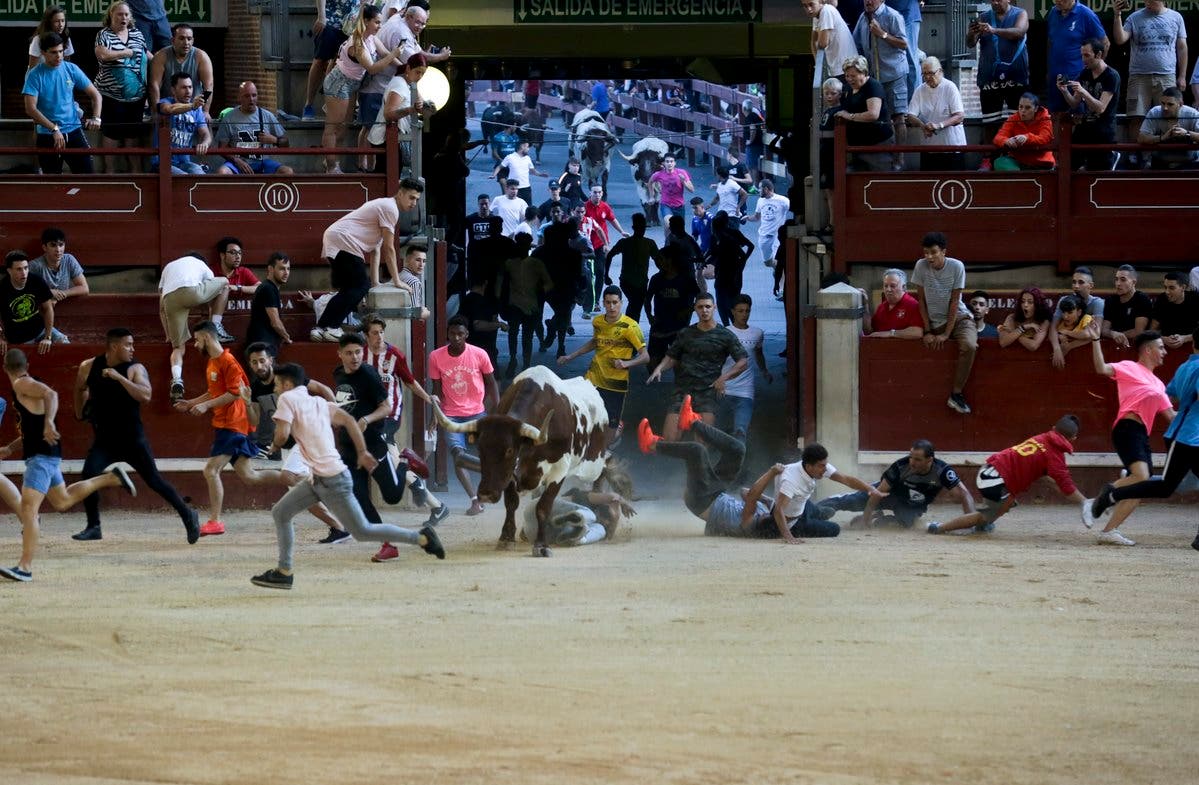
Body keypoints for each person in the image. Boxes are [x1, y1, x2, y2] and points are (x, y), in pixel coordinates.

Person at [249, 362, 444, 590]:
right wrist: (361, 452)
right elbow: (350, 421)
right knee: (281, 512)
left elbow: (282, 436)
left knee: (363, 531)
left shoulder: (287, 399)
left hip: (331, 480)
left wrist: (273, 445)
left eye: (277, 384)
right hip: (321, 478)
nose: (275, 389)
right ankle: (284, 571)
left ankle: (421, 538)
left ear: (288, 384)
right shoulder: (319, 402)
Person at [638, 401, 872, 541]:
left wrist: (770, 475)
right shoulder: (768, 514)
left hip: (702, 501)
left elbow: (749, 497)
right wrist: (761, 497)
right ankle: (692, 422)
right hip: (716, 494)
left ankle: (652, 445)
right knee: (737, 450)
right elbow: (748, 494)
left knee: (698, 452)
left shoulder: (755, 525)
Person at [0, 350, 136, 583]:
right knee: (62, 500)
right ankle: (111, 477)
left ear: (5, 368)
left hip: (41, 456)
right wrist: (10, 448)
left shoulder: (23, 383)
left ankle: (25, 567)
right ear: (27, 364)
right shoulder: (26, 385)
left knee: (29, 511)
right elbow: (33, 426)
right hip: (46, 453)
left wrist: (50, 422)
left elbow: (51, 394)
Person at [70, 327, 199, 544]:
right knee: (89, 474)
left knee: (154, 481)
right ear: (114, 346)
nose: (132, 349)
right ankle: (94, 527)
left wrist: (119, 378)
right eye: (128, 345)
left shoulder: (135, 368)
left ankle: (188, 515)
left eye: (132, 344)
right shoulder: (88, 366)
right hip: (105, 439)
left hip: (132, 439)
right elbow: (79, 388)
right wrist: (79, 411)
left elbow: (146, 395)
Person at [330, 332, 447, 565]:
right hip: (349, 448)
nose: (355, 357)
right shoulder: (338, 374)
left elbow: (386, 407)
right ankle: (388, 545)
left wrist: (366, 419)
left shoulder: (369, 374)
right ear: (340, 354)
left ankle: (404, 462)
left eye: (358, 352)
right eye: (350, 353)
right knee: (361, 501)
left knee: (392, 497)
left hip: (373, 444)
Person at [1084, 326, 1199, 551]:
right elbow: (1101, 368)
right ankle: (1111, 492)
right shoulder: (1129, 367)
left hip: (1148, 434)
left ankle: (1109, 529)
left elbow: (1171, 415)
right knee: (1144, 477)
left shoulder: (1159, 384)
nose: (1165, 351)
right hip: (1128, 427)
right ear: (1147, 350)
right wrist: (1096, 339)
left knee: (1146, 484)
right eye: (1161, 347)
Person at [173, 320, 285, 537]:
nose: (195, 345)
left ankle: (215, 521)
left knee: (211, 470)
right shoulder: (213, 362)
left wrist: (205, 405)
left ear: (206, 337)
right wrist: (192, 403)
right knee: (249, 475)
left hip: (233, 423)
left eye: (197, 340)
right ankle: (293, 478)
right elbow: (214, 392)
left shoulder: (229, 361)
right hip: (227, 423)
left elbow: (235, 392)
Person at [243, 343, 349, 545]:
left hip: (305, 438)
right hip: (290, 447)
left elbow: (323, 389)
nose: (259, 366)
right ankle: (339, 527)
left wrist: (332, 414)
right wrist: (247, 402)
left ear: (271, 360)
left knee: (290, 477)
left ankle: (336, 512)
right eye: (254, 362)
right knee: (298, 490)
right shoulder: (255, 387)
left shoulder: (287, 377)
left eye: (262, 360)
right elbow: (254, 421)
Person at [928, 415, 1087, 535]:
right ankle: (939, 527)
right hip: (996, 481)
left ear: (1054, 428)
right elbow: (1066, 486)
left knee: (1008, 502)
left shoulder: (1041, 438)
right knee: (984, 516)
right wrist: (1085, 503)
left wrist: (1074, 497)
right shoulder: (1055, 457)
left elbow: (1048, 480)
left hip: (989, 471)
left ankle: (984, 524)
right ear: (1073, 438)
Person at [314, 178, 422, 341]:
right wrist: (397, 280)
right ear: (400, 193)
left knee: (351, 290)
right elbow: (389, 248)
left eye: (417, 199)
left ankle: (320, 328)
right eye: (411, 197)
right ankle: (332, 327)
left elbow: (376, 249)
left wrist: (376, 282)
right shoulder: (390, 208)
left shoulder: (387, 208)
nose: (414, 203)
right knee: (360, 286)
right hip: (344, 240)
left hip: (336, 239)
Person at [648, 293, 748, 442]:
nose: (704, 310)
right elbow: (671, 357)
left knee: (702, 442)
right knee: (670, 439)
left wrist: (723, 378)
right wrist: (659, 368)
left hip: (707, 392)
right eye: (700, 307)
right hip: (683, 391)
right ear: (695, 309)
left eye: (708, 306)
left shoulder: (725, 335)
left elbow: (743, 361)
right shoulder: (685, 333)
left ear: (714, 308)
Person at [319, 4, 406, 174]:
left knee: (343, 128)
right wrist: (394, 55)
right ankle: (331, 166)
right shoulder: (357, 43)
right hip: (339, 83)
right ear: (366, 21)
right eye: (377, 22)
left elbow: (385, 53)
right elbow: (373, 68)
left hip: (352, 84)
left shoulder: (372, 38)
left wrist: (404, 67)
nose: (380, 26)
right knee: (333, 128)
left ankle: (331, 160)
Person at [558, 285, 648, 446]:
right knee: (581, 412)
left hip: (616, 384)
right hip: (593, 377)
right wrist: (570, 356)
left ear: (621, 303)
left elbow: (645, 356)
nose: (612, 307)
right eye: (608, 303)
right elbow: (595, 341)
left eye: (615, 302)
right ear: (603, 303)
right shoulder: (598, 321)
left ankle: (617, 427)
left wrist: (627, 363)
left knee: (609, 435)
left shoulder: (631, 327)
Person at [428, 316, 499, 517]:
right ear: (447, 334)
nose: (456, 337)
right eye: (453, 333)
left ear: (467, 335)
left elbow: (491, 382)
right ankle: (475, 500)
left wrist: (496, 407)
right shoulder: (436, 356)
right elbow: (436, 389)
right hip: (451, 416)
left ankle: (492, 478)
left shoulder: (479, 354)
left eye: (461, 334)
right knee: (459, 457)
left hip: (477, 413)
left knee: (486, 453)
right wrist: (435, 415)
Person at [819, 439, 975, 528]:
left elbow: (964, 494)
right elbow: (878, 492)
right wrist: (865, 520)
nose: (912, 462)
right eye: (911, 457)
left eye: (917, 459)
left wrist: (971, 521)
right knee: (850, 500)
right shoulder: (901, 466)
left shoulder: (942, 471)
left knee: (906, 524)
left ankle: (877, 518)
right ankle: (812, 509)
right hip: (888, 494)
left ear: (930, 460)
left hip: (912, 505)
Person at [912, 231, 976, 414]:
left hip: (959, 318)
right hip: (934, 321)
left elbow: (955, 302)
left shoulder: (956, 266)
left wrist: (947, 334)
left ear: (943, 252)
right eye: (925, 252)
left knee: (970, 345)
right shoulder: (921, 266)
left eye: (933, 252)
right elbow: (921, 301)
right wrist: (927, 331)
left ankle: (956, 393)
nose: (929, 257)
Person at [22, 32, 102, 175]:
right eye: (53, 52)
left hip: (73, 130)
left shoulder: (71, 68)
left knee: (88, 176)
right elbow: (30, 109)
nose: (59, 56)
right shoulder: (34, 75)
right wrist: (54, 128)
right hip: (47, 134)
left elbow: (95, 95)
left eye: (60, 51)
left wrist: (96, 117)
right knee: (52, 182)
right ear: (43, 53)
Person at [967, 0, 1030, 170]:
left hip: (1015, 74)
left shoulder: (1020, 13)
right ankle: (988, 158)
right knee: (990, 121)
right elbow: (970, 43)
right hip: (989, 76)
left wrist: (993, 30)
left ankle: (1017, 156)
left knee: (1017, 119)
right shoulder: (984, 16)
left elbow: (1019, 32)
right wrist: (972, 33)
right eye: (992, 0)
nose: (994, 2)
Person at [158, 253, 230, 401]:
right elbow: (212, 289)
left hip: (170, 299)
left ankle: (177, 379)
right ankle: (216, 324)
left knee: (178, 348)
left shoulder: (168, 267)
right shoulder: (202, 265)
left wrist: (168, 334)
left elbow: (161, 308)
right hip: (193, 293)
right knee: (225, 282)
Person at [363, 314, 436, 452]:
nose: (379, 336)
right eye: (375, 333)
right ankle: (400, 466)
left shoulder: (395, 355)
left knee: (381, 437)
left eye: (381, 332)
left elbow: (410, 381)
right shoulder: (361, 354)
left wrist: (428, 398)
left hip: (390, 412)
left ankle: (399, 467)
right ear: (366, 335)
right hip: (368, 412)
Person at [93, 1, 149, 173]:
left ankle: (136, 173)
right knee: (112, 135)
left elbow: (148, 56)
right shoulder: (104, 34)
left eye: (126, 14)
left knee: (132, 137)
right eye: (119, 14)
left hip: (136, 97)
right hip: (111, 96)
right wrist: (127, 52)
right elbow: (102, 54)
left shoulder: (137, 34)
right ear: (111, 15)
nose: (123, 17)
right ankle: (109, 173)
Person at [1111, 0, 1187, 120]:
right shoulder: (1134, 17)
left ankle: (1164, 139)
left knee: (1168, 117)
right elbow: (1120, 39)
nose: (1146, 2)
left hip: (1166, 75)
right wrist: (1117, 15)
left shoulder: (1176, 17)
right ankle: (1138, 139)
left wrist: (1182, 76)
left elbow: (1182, 48)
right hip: (1138, 76)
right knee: (1136, 118)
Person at [852, 0, 909, 160]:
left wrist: (882, 34)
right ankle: (882, 157)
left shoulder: (892, 16)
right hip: (874, 77)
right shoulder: (863, 18)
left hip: (893, 74)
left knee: (897, 116)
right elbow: (857, 44)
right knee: (877, 117)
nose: (868, 1)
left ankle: (900, 159)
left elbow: (904, 43)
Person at [1058, 38, 1121, 171]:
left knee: (1097, 170)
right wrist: (1064, 91)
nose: (1083, 59)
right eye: (1082, 55)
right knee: (1069, 162)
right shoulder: (1085, 73)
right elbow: (1074, 103)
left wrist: (1083, 91)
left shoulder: (1111, 76)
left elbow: (1101, 108)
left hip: (1103, 129)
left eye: (1087, 55)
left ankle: (1112, 157)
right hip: (1086, 126)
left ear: (1098, 55)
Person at [213, 81, 295, 176]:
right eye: (247, 96)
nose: (251, 99)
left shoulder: (267, 116)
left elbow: (286, 144)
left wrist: (275, 140)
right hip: (238, 162)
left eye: (254, 95)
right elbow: (222, 148)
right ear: (239, 98)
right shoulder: (229, 118)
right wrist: (237, 160)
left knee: (287, 172)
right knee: (223, 172)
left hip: (263, 162)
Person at [719, 295, 772, 440]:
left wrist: (764, 371)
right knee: (720, 432)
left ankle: (736, 461)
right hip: (724, 389)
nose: (744, 315)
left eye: (747, 311)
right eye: (740, 311)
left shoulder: (757, 333)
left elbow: (758, 353)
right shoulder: (724, 332)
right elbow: (716, 359)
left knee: (741, 430)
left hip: (745, 391)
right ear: (733, 312)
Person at [500, 233, 551, 378]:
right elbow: (501, 286)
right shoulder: (510, 264)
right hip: (517, 305)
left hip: (528, 305)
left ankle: (523, 363)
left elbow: (547, 284)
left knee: (522, 335)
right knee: (517, 334)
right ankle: (515, 360)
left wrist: (539, 296)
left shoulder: (535, 264)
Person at [367, 52, 428, 172]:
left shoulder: (410, 84)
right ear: (408, 68)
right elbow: (389, 114)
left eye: (423, 73)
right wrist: (412, 109)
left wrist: (422, 105)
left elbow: (425, 107)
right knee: (388, 178)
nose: (420, 76)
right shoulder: (399, 84)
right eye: (417, 72)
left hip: (396, 138)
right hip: (387, 139)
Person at [644, 245, 700, 373]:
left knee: (679, 363)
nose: (658, 262)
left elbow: (701, 298)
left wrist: (687, 310)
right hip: (659, 324)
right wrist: (649, 316)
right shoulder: (656, 279)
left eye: (661, 259)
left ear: (671, 260)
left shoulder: (686, 279)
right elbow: (647, 299)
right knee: (652, 365)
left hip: (678, 326)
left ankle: (680, 388)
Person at [904, 57, 966, 171]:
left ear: (940, 71)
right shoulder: (920, 90)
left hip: (952, 147)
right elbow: (911, 115)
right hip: (929, 147)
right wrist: (923, 126)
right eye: (924, 74)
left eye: (931, 73)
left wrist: (939, 125)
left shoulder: (950, 87)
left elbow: (959, 116)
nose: (927, 77)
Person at [1046, 0, 1107, 113]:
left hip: (1077, 79)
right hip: (1055, 79)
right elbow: (1051, 42)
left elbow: (1105, 43)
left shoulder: (1086, 14)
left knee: (1077, 119)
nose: (1057, 1)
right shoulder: (1053, 12)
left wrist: (1096, 71)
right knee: (1055, 118)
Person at [301, 0, 357, 121]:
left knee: (340, 65)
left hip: (351, 25)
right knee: (320, 61)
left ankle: (330, 103)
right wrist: (321, 17)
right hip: (331, 20)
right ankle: (308, 105)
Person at [836, 55, 895, 172]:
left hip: (876, 144)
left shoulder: (873, 86)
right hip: (856, 147)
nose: (849, 79)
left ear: (863, 73)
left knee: (879, 180)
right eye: (847, 76)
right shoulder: (848, 88)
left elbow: (873, 114)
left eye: (853, 76)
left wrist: (850, 116)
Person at [29, 228, 88, 343]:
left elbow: (84, 288)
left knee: (64, 343)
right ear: (44, 247)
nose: (58, 249)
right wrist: (49, 293)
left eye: (61, 245)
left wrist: (62, 294)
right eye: (53, 245)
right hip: (34, 319)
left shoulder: (69, 260)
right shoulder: (35, 266)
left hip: (52, 318)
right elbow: (25, 292)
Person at [151, 72, 210, 175]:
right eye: (183, 87)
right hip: (162, 162)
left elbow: (206, 134)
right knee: (183, 178)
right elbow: (169, 109)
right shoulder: (165, 102)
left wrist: (205, 143)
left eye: (190, 87)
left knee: (200, 174)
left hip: (185, 162)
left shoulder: (197, 110)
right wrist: (192, 106)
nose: (188, 91)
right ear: (173, 90)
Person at [0, 251, 58, 355]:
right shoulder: (2, 289)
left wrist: (48, 337)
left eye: (26, 268)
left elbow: (48, 308)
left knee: (65, 342)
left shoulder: (36, 281)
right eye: (19, 269)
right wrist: (1, 338)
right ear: (9, 271)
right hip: (19, 339)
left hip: (41, 330)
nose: (24, 273)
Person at [147, 23, 214, 112]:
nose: (186, 43)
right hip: (169, 108)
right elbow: (154, 85)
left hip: (195, 108)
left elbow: (208, 86)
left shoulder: (201, 56)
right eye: (181, 38)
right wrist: (156, 111)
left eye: (189, 39)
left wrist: (206, 111)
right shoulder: (161, 56)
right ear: (173, 40)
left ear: (193, 40)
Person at [605, 213, 658, 324]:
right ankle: (630, 328)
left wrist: (607, 275)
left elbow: (610, 255)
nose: (641, 230)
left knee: (635, 304)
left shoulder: (626, 243)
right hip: (634, 281)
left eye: (642, 228)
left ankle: (630, 328)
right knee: (636, 304)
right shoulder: (648, 243)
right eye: (641, 228)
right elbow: (659, 261)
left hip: (632, 281)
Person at [707, 212, 755, 326]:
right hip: (725, 272)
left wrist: (741, 264)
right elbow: (712, 251)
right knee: (724, 301)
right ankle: (729, 326)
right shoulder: (717, 237)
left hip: (731, 273)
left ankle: (731, 325)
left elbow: (747, 249)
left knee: (729, 301)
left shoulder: (729, 238)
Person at [744, 179, 791, 297]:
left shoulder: (783, 200)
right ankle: (778, 271)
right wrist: (747, 218)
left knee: (778, 261)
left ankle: (782, 289)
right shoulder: (760, 201)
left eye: (759, 188)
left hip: (777, 236)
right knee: (768, 263)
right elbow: (757, 217)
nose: (758, 190)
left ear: (766, 189)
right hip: (764, 236)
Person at [1137, 87, 1199, 169]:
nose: (1165, 108)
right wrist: (1162, 138)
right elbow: (1141, 138)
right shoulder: (1154, 112)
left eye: (1170, 104)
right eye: (1163, 103)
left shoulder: (1192, 114)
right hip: (1159, 163)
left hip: (1189, 163)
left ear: (1180, 104)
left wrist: (1187, 134)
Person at [992, 93, 1055, 171]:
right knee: (999, 162)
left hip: (1042, 162)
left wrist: (1027, 137)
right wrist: (1006, 141)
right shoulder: (1013, 118)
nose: (1023, 111)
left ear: (1036, 109)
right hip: (1018, 161)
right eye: (1020, 107)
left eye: (1027, 108)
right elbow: (998, 137)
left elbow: (1045, 138)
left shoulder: (1045, 118)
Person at [244, 253, 292, 350]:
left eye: (288, 269)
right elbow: (275, 323)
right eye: (282, 268)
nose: (286, 272)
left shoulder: (269, 287)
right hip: (262, 346)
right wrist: (287, 337)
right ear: (270, 269)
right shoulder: (268, 288)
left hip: (261, 344)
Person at [1101, 264, 1152, 348]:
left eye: (1123, 280)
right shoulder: (1111, 300)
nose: (1118, 284)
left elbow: (1138, 331)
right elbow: (1104, 330)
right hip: (1113, 347)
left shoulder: (1142, 299)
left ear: (1134, 282)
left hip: (1136, 347)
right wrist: (1113, 333)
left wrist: (1119, 335)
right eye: (1116, 279)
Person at [864, 268, 924, 339]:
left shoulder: (913, 305)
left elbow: (917, 332)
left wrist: (891, 333)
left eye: (893, 286)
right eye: (886, 286)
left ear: (904, 287)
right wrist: (865, 305)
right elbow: (869, 331)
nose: (888, 289)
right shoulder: (882, 306)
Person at [805, 0, 856, 79]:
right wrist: (818, 64)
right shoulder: (816, 15)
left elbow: (823, 43)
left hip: (847, 68)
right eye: (805, 6)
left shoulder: (826, 10)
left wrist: (820, 35)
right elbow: (813, 42)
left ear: (821, 2)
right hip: (836, 68)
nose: (809, 9)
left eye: (811, 4)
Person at [493, 140, 548, 205]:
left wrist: (540, 174)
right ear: (522, 146)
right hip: (514, 188)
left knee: (527, 207)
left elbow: (532, 170)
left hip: (526, 188)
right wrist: (494, 175)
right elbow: (499, 167)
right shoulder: (510, 157)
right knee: (514, 206)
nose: (528, 149)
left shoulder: (527, 158)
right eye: (527, 147)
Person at [997, 286, 1051, 351]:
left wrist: (1014, 333)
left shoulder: (1044, 320)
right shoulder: (1011, 317)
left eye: (1030, 302)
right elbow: (1003, 343)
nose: (1025, 305)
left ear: (1038, 305)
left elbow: (1033, 346)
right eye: (1022, 301)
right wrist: (1023, 328)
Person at [1050, 295, 1098, 366]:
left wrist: (1067, 334)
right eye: (1063, 312)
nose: (1065, 316)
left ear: (1079, 312)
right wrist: (1061, 337)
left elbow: (1087, 335)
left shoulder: (1086, 318)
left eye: (1070, 313)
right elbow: (1059, 334)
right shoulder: (1062, 324)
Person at [648, 155, 695, 224]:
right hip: (666, 205)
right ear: (663, 163)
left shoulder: (682, 172)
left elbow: (692, 190)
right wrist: (651, 196)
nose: (669, 163)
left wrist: (683, 181)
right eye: (667, 161)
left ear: (675, 163)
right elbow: (650, 182)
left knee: (679, 229)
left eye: (671, 161)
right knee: (669, 223)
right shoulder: (658, 174)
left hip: (679, 205)